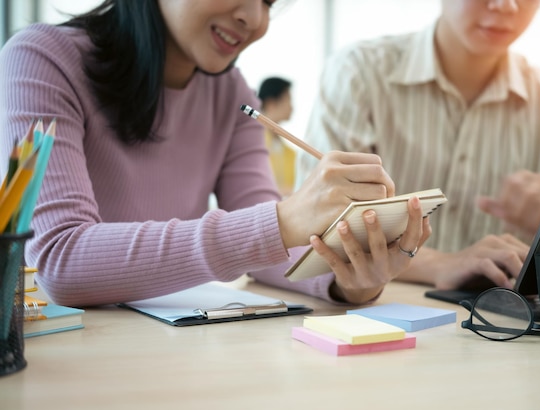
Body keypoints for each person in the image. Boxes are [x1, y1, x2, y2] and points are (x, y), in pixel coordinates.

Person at [0, 0, 432, 307]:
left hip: (177, 349)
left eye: (268, 0)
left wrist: (348, 279)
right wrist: (284, 221)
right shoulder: (41, 59)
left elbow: (264, 248)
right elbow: (60, 259)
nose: (254, 17)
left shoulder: (231, 91)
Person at [297, 0, 540, 291]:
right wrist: (442, 264)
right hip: (378, 314)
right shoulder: (359, 73)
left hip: (507, 326)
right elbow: (320, 227)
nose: (507, 5)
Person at [257, 76, 297, 196]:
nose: (292, 107)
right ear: (271, 104)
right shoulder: (251, 144)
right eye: (288, 99)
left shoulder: (289, 152)